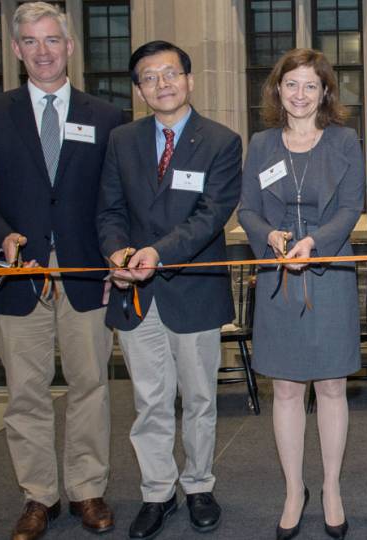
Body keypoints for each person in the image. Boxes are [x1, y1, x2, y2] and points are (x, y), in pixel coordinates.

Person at [0, 3, 123, 539]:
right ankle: (38, 495)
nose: (42, 50)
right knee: (26, 390)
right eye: (30, 41)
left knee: (91, 384)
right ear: (17, 49)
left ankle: (87, 488)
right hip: (16, 273)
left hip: (85, 273)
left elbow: (115, 199)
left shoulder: (108, 117)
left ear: (70, 47)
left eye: (52, 40)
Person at [96, 40, 242, 539]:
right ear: (139, 89)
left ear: (189, 80)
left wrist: (156, 253)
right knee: (150, 401)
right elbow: (109, 210)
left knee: (200, 398)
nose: (162, 84)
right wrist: (117, 253)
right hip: (134, 293)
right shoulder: (121, 141)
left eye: (170, 74)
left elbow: (211, 215)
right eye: (150, 77)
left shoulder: (221, 141)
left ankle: (200, 485)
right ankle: (157, 492)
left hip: (192, 289)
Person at [237, 47, 363, 540]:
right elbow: (247, 209)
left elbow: (352, 205)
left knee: (332, 385)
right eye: (292, 84)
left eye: (311, 85)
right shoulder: (263, 143)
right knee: (286, 388)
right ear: (278, 90)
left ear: (325, 92)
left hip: (329, 271)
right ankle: (294, 488)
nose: (301, 94)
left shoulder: (345, 141)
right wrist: (268, 235)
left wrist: (318, 241)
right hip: (277, 276)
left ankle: (331, 486)